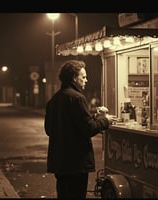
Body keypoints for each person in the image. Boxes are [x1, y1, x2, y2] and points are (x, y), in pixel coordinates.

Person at [44, 60, 111, 199]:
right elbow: (88, 128)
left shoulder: (54, 100)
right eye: (84, 76)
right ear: (74, 78)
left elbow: (49, 129)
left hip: (60, 162)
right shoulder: (77, 98)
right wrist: (105, 120)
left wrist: (94, 116)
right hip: (76, 163)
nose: (86, 80)